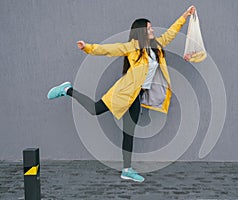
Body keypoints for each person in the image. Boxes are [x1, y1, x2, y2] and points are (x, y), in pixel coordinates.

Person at [47, 5, 196, 182]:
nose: (152, 30)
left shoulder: (156, 46)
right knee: (94, 109)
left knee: (129, 132)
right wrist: (88, 47)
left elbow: (171, 33)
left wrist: (185, 15)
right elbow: (109, 49)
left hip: (137, 96)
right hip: (123, 92)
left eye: (151, 27)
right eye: (149, 28)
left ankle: (127, 169)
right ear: (141, 31)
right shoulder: (131, 47)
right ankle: (67, 89)